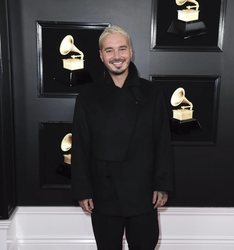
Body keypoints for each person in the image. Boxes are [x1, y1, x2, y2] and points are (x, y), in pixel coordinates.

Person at [71, 25, 174, 250]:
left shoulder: (152, 93)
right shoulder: (87, 97)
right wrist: (83, 190)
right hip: (103, 192)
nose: (117, 56)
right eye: (109, 50)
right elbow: (80, 146)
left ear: (131, 52)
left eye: (122, 49)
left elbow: (162, 142)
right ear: (101, 55)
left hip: (144, 193)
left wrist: (162, 184)